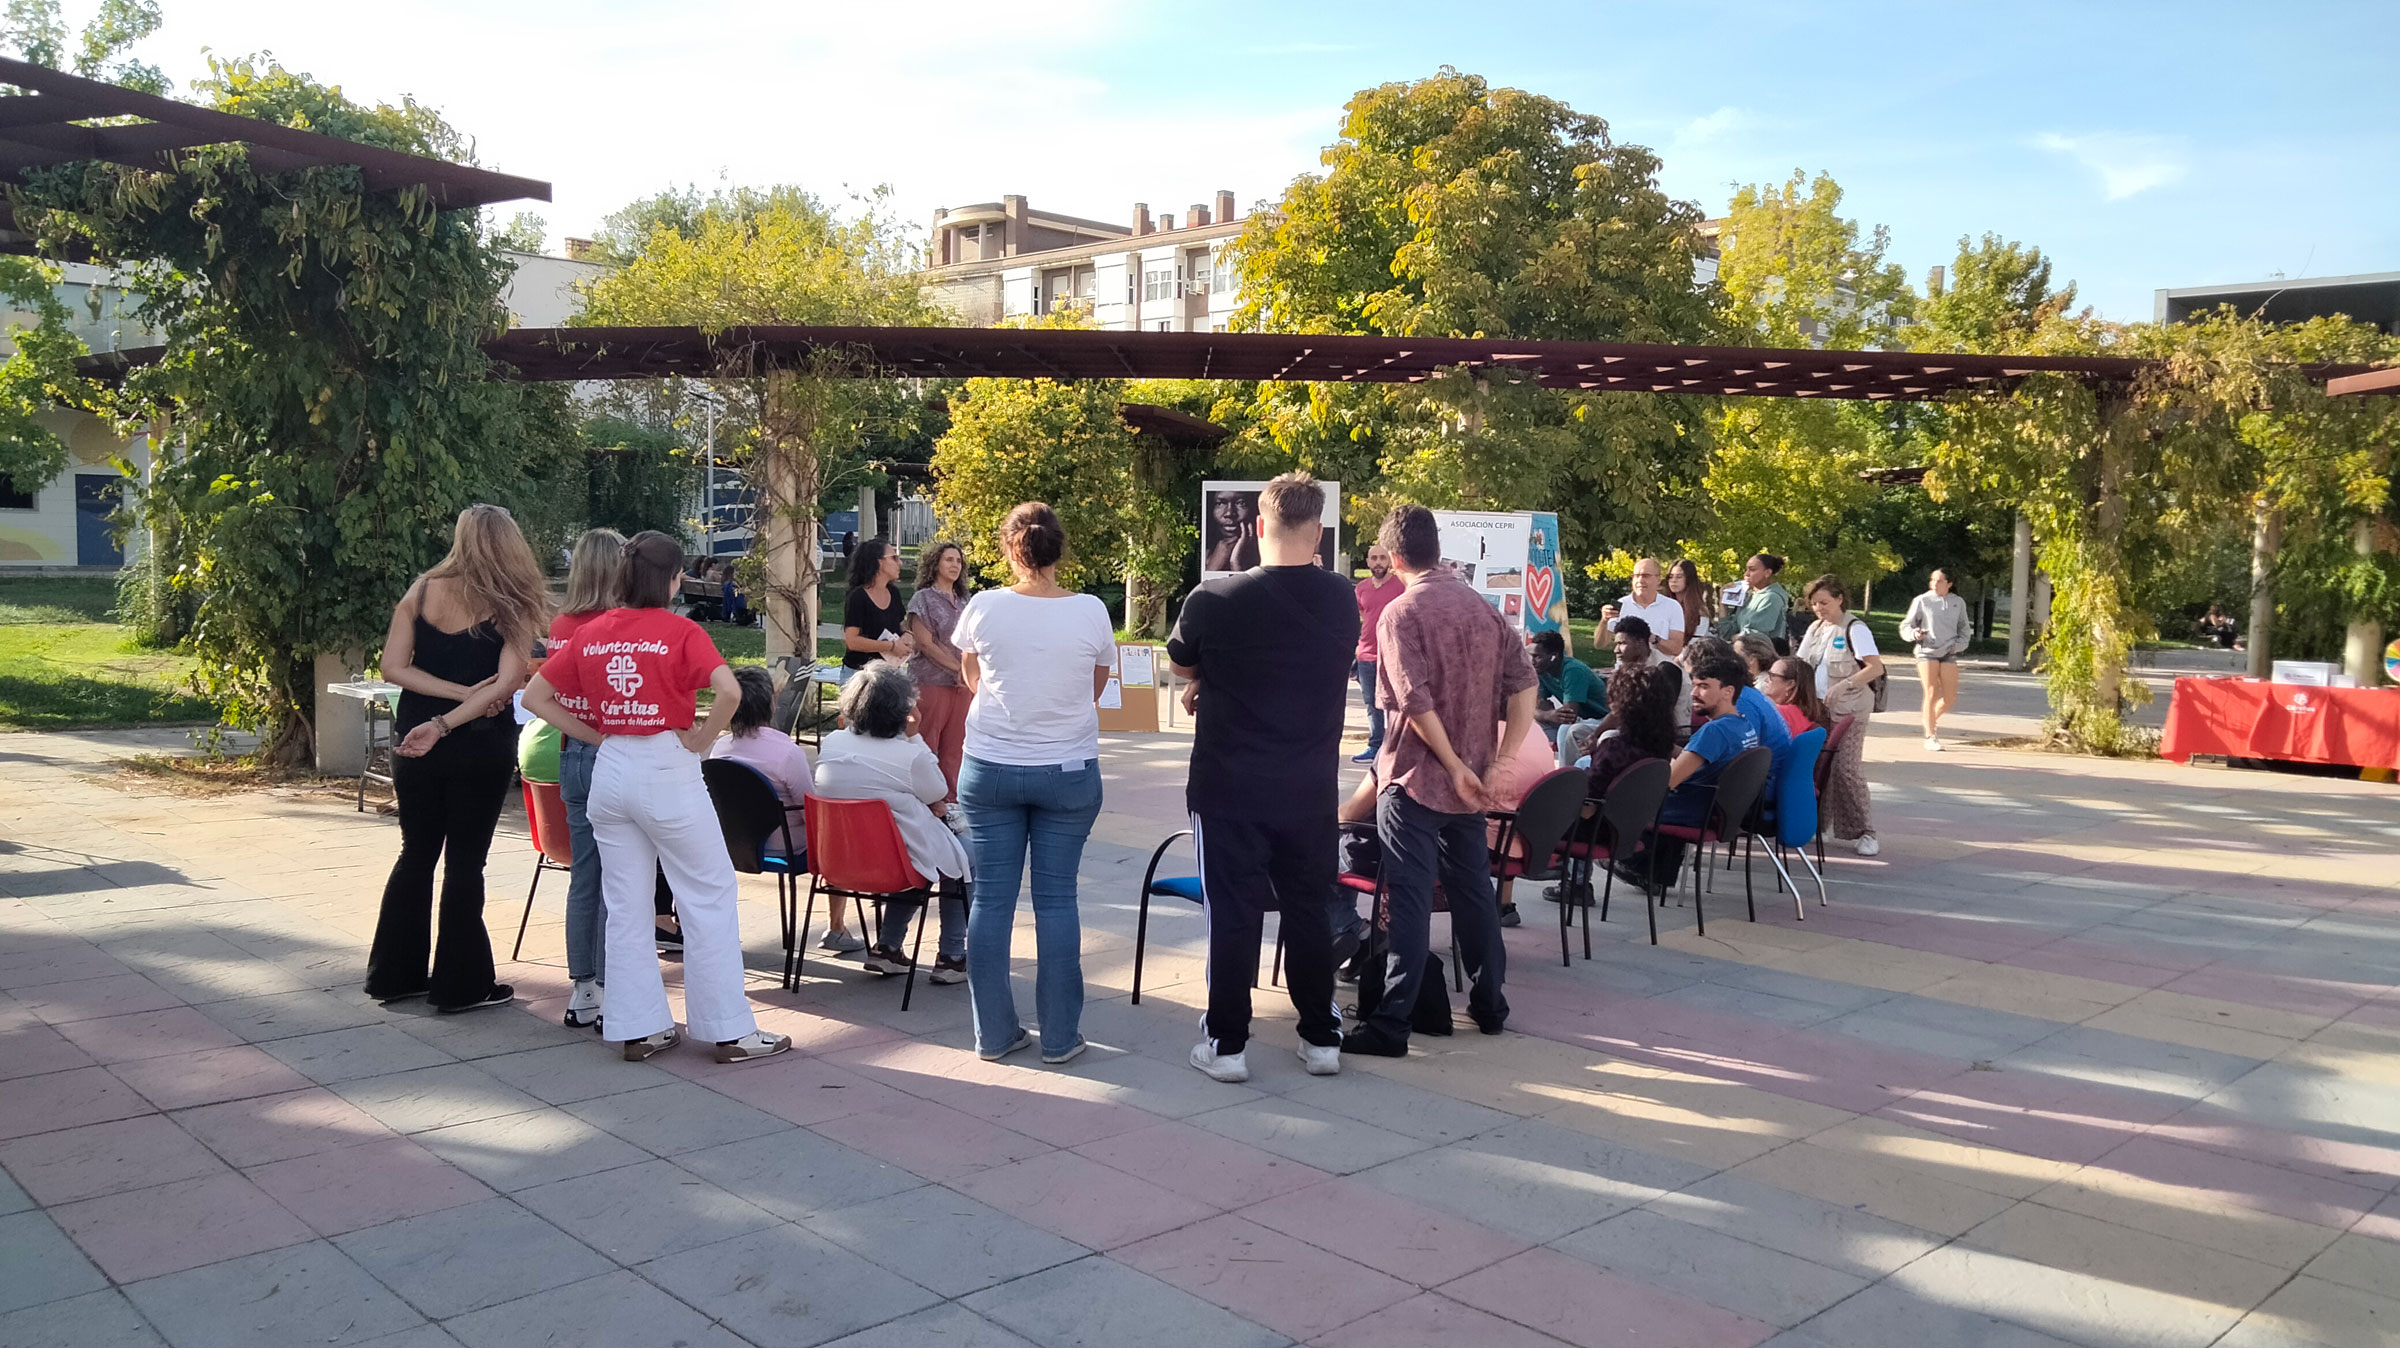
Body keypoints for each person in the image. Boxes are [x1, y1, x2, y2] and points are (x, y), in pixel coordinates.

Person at [523, 531, 791, 1065]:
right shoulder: (679, 630)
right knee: (707, 894)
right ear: (671, 581)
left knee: (625, 906)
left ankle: (638, 1026)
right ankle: (729, 1032)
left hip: (612, 769)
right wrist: (702, 738)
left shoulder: (594, 632)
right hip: (666, 764)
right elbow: (731, 691)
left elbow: (535, 697)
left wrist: (597, 733)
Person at [1168, 473, 1358, 1084]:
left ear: (1255, 528)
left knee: (1232, 914)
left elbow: (1181, 663)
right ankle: (1321, 1038)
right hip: (1307, 791)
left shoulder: (1212, 599)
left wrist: (1205, 683)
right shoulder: (1343, 598)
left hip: (1228, 789)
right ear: (1320, 532)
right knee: (1308, 910)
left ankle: (1227, 1045)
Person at [1344, 504, 1537, 1057]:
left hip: (1414, 778)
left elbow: (1411, 699)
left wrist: (1452, 762)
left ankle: (1391, 1025)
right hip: (1470, 781)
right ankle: (1489, 1004)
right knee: (1474, 893)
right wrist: (1497, 762)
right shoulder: (1484, 609)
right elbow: (1524, 686)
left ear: (1396, 555)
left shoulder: (1400, 613)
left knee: (1408, 900)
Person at [952, 502, 1118, 1065]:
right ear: (1059, 550)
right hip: (1068, 769)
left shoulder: (984, 605)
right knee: (1056, 900)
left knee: (992, 899)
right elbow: (1094, 687)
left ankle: (994, 1035)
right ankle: (1061, 1036)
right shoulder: (1092, 610)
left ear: (1008, 547)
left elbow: (971, 677)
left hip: (990, 764)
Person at [365, 504, 545, 1014]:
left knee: (416, 853)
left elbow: (393, 667)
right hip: (478, 741)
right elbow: (509, 680)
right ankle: (460, 985)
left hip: (414, 735)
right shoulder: (516, 601)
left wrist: (442, 705)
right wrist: (460, 708)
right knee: (466, 863)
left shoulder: (421, 590)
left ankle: (394, 975)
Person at [812, 661, 972, 983]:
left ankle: (888, 947)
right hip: (896, 862)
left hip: (839, 863)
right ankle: (952, 955)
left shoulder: (832, 744)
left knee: (917, 849)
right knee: (965, 854)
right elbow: (938, 790)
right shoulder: (907, 755)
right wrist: (915, 738)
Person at [547, 527, 625, 1030]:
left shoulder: (562, 623)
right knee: (620, 881)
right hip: (610, 750)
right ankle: (616, 987)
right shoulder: (613, 627)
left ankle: (584, 988)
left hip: (571, 754)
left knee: (585, 877)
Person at [1638, 651, 1765, 881]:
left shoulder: (1714, 731)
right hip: (1716, 810)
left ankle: (1629, 867)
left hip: (1687, 810)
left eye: (1704, 687)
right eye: (1694, 685)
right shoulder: (1744, 726)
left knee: (1616, 794)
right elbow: (1697, 759)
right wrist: (1666, 746)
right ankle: (1654, 873)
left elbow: (1668, 781)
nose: (1695, 693)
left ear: (1728, 691)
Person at [1795, 575, 1884, 856]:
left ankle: (1865, 832)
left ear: (1839, 599)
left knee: (1846, 769)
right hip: (1818, 706)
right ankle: (1819, 824)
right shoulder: (1816, 629)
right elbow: (1800, 663)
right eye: (1814, 604)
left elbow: (1874, 667)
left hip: (1851, 707)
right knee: (1818, 764)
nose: (1819, 608)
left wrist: (1846, 683)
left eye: (1824, 602)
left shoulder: (1855, 628)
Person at [707, 664, 813, 849]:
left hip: (735, 843)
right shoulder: (788, 754)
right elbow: (810, 814)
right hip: (787, 844)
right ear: (772, 703)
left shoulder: (721, 748)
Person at [1558, 617, 1688, 766]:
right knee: (1573, 731)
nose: (1616, 650)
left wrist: (1597, 736)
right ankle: (1569, 780)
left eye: (1622, 643)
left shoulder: (1665, 669)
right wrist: (1594, 735)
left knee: (1608, 737)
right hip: (1631, 726)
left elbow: (1645, 716)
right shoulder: (1628, 666)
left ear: (1640, 643)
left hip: (1660, 733)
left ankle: (1604, 780)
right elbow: (1620, 709)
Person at [905, 540, 973, 818]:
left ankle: (950, 800)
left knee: (955, 746)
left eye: (958, 561)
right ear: (935, 564)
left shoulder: (966, 603)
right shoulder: (922, 599)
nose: (955, 565)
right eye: (949, 560)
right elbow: (925, 643)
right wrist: (958, 668)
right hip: (930, 682)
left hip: (962, 685)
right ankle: (925, 801)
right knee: (927, 742)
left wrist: (967, 672)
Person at [1899, 569, 1972, 751]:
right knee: (1931, 691)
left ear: (1949, 583)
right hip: (1926, 651)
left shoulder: (1958, 602)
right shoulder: (1922, 600)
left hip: (1949, 651)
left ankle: (1929, 719)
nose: (1934, 584)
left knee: (1949, 697)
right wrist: (1915, 634)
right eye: (1932, 580)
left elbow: (1964, 628)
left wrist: (1959, 645)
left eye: (1939, 581)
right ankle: (1930, 735)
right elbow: (1906, 625)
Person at [1352, 542, 1403, 763]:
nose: (1378, 563)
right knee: (1372, 704)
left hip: (1393, 654)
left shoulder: (1401, 586)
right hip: (1367, 655)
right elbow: (1363, 616)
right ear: (1368, 562)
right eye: (1374, 558)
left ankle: (1394, 749)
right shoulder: (1361, 588)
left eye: (1382, 558)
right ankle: (1375, 746)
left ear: (1390, 561)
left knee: (1395, 703)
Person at [842, 537, 915, 673]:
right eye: (894, 558)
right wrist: (891, 646)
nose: (900, 563)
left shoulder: (893, 592)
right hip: (860, 674)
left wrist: (907, 634)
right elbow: (852, 641)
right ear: (879, 562)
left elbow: (900, 623)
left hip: (890, 673)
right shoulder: (858, 596)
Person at [1530, 630, 1602, 758]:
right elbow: (1533, 708)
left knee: (1566, 729)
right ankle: (1551, 755)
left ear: (1554, 656)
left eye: (1537, 656)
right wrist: (1548, 715)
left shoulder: (1573, 670)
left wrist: (1546, 714)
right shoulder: (1542, 671)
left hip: (1600, 719)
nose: (1532, 661)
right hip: (1580, 719)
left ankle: (1566, 770)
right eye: (1531, 656)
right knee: (1533, 723)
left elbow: (1569, 716)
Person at [1600, 557, 1685, 657]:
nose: (1640, 580)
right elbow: (1601, 645)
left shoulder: (1672, 606)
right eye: (1636, 576)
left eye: (1646, 576)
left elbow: (1676, 649)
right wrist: (1604, 621)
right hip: (1626, 669)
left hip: (1659, 670)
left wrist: (1652, 638)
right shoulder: (1622, 604)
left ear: (1658, 579)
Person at [1719, 554, 1793, 652]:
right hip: (1741, 654)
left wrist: (1735, 637)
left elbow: (1754, 637)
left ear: (1767, 573)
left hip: (1761, 658)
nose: (1746, 574)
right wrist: (1723, 602)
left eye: (1752, 570)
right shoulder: (1749, 596)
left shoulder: (1772, 598)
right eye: (1746, 569)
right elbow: (1726, 633)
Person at [1762, 656, 1830, 738]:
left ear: (1790, 684)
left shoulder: (1779, 713)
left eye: (1772, 675)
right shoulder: (1807, 712)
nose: (1766, 680)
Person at [1203, 490, 1262, 573]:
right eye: (1220, 504)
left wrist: (1235, 564)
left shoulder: (1265, 559)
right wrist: (1212, 568)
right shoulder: (1202, 556)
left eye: (1241, 503)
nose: (1229, 513)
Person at [1668, 560, 1713, 643]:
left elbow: (1696, 644)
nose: (1673, 580)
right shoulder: (1664, 605)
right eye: (1671, 577)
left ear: (1689, 579)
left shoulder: (1700, 611)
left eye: (1679, 577)